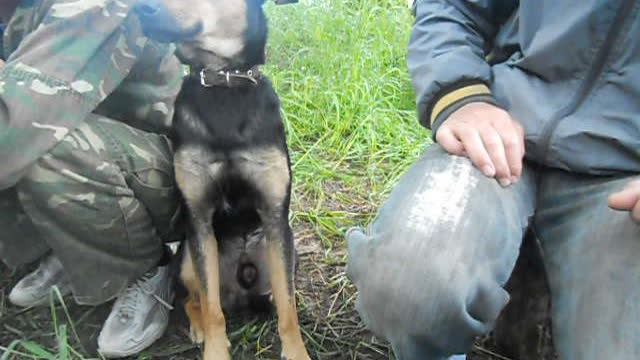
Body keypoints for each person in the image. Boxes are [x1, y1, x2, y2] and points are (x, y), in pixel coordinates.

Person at [346, 1, 640, 360]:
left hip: (626, 179)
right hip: (501, 133)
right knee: (407, 286)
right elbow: (451, 7)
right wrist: (461, 94)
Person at [0, 0, 184, 357]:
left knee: (44, 145)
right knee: (40, 137)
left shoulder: (89, 5)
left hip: (173, 174)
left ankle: (147, 267)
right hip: (103, 142)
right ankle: (74, 248)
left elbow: (11, 136)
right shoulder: (14, 9)